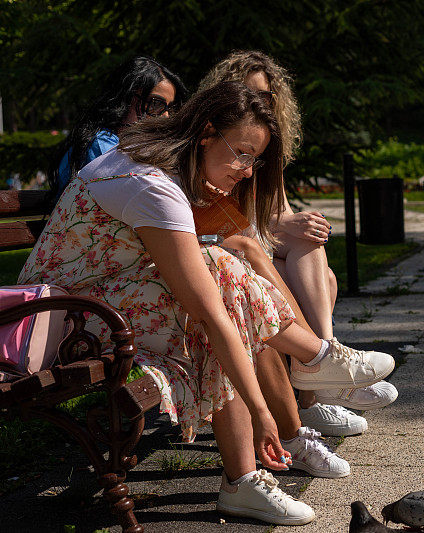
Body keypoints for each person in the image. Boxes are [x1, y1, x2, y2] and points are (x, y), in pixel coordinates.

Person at [19, 82, 395, 525]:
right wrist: (261, 410)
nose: (248, 169)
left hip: (101, 302)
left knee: (217, 270)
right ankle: (311, 366)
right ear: (205, 135)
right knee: (215, 290)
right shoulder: (150, 185)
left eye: (254, 158)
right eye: (242, 153)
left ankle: (309, 371)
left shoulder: (157, 164)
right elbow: (211, 315)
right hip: (61, 325)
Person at [198, 51, 397, 433]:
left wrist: (296, 223)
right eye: (248, 94)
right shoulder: (219, 149)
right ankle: (322, 376)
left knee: (314, 251)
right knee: (325, 278)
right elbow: (224, 225)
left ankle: (323, 366)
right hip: (229, 251)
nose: (259, 105)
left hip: (254, 246)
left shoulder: (265, 154)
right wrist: (284, 227)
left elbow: (276, 217)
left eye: (267, 98)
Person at [50, 56, 189, 197]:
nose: (166, 116)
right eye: (156, 104)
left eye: (170, 108)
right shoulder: (101, 144)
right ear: (126, 99)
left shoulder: (123, 144)